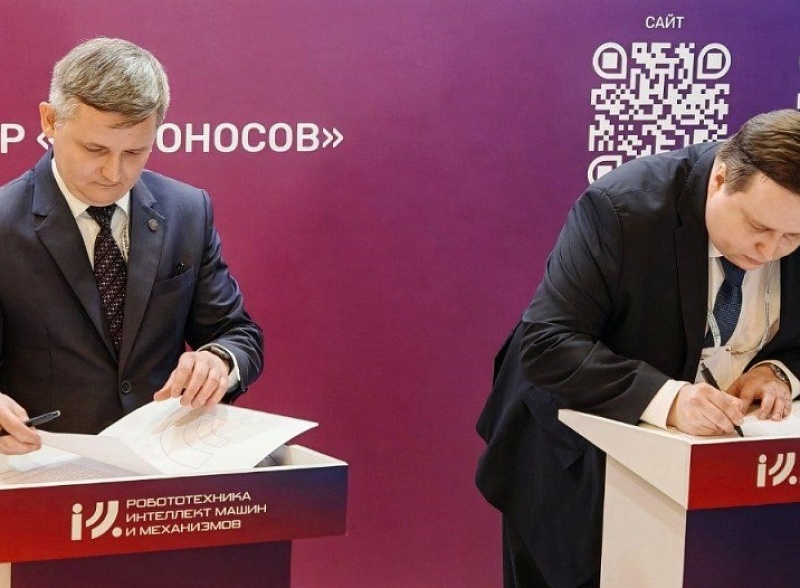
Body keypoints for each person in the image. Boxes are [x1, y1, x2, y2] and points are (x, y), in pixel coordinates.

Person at [476, 109, 800, 588]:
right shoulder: (623, 209)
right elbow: (548, 342)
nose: (769, 250)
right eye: (757, 227)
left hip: (723, 487)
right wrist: (669, 399)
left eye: (792, 237)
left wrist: (778, 371)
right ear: (720, 180)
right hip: (575, 463)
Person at [0, 38, 264, 452]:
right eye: (95, 148)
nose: (114, 172)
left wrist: (218, 360)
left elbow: (236, 333)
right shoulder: (3, 223)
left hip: (162, 469)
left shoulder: (187, 210)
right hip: (39, 470)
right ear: (50, 121)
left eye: (136, 151)